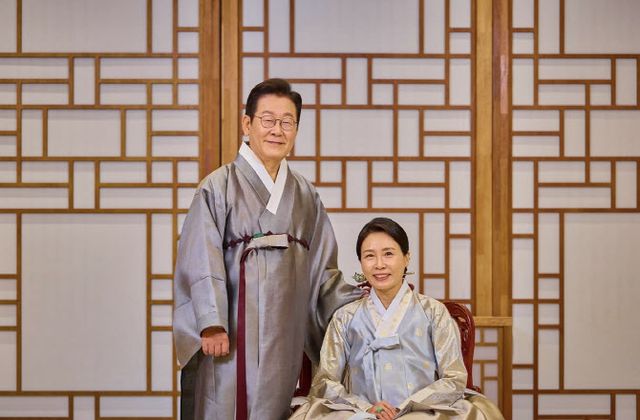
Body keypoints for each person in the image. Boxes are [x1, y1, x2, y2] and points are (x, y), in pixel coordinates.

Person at [173, 78, 361, 420]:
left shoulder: (305, 195)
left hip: (284, 336)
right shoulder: (218, 187)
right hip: (230, 336)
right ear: (247, 124)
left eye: (287, 122)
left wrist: (362, 303)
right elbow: (200, 258)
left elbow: (323, 269)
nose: (278, 130)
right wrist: (211, 322)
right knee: (224, 407)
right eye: (268, 120)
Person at [291, 218, 505, 419]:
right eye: (369, 256)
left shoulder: (434, 312)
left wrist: (407, 406)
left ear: (406, 257)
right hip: (363, 412)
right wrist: (366, 407)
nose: (379, 264)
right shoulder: (345, 317)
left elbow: (454, 378)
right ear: (361, 263)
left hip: (423, 411)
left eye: (388, 254)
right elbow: (325, 381)